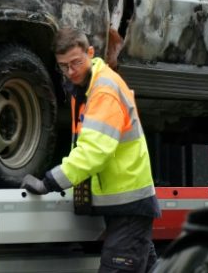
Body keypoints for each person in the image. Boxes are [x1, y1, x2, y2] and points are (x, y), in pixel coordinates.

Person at [21, 27, 160, 273]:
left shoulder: (103, 89)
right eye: (63, 66)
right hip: (125, 203)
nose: (70, 71)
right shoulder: (87, 87)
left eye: (75, 62)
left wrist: (50, 182)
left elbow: (93, 151)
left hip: (129, 203)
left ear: (91, 52)